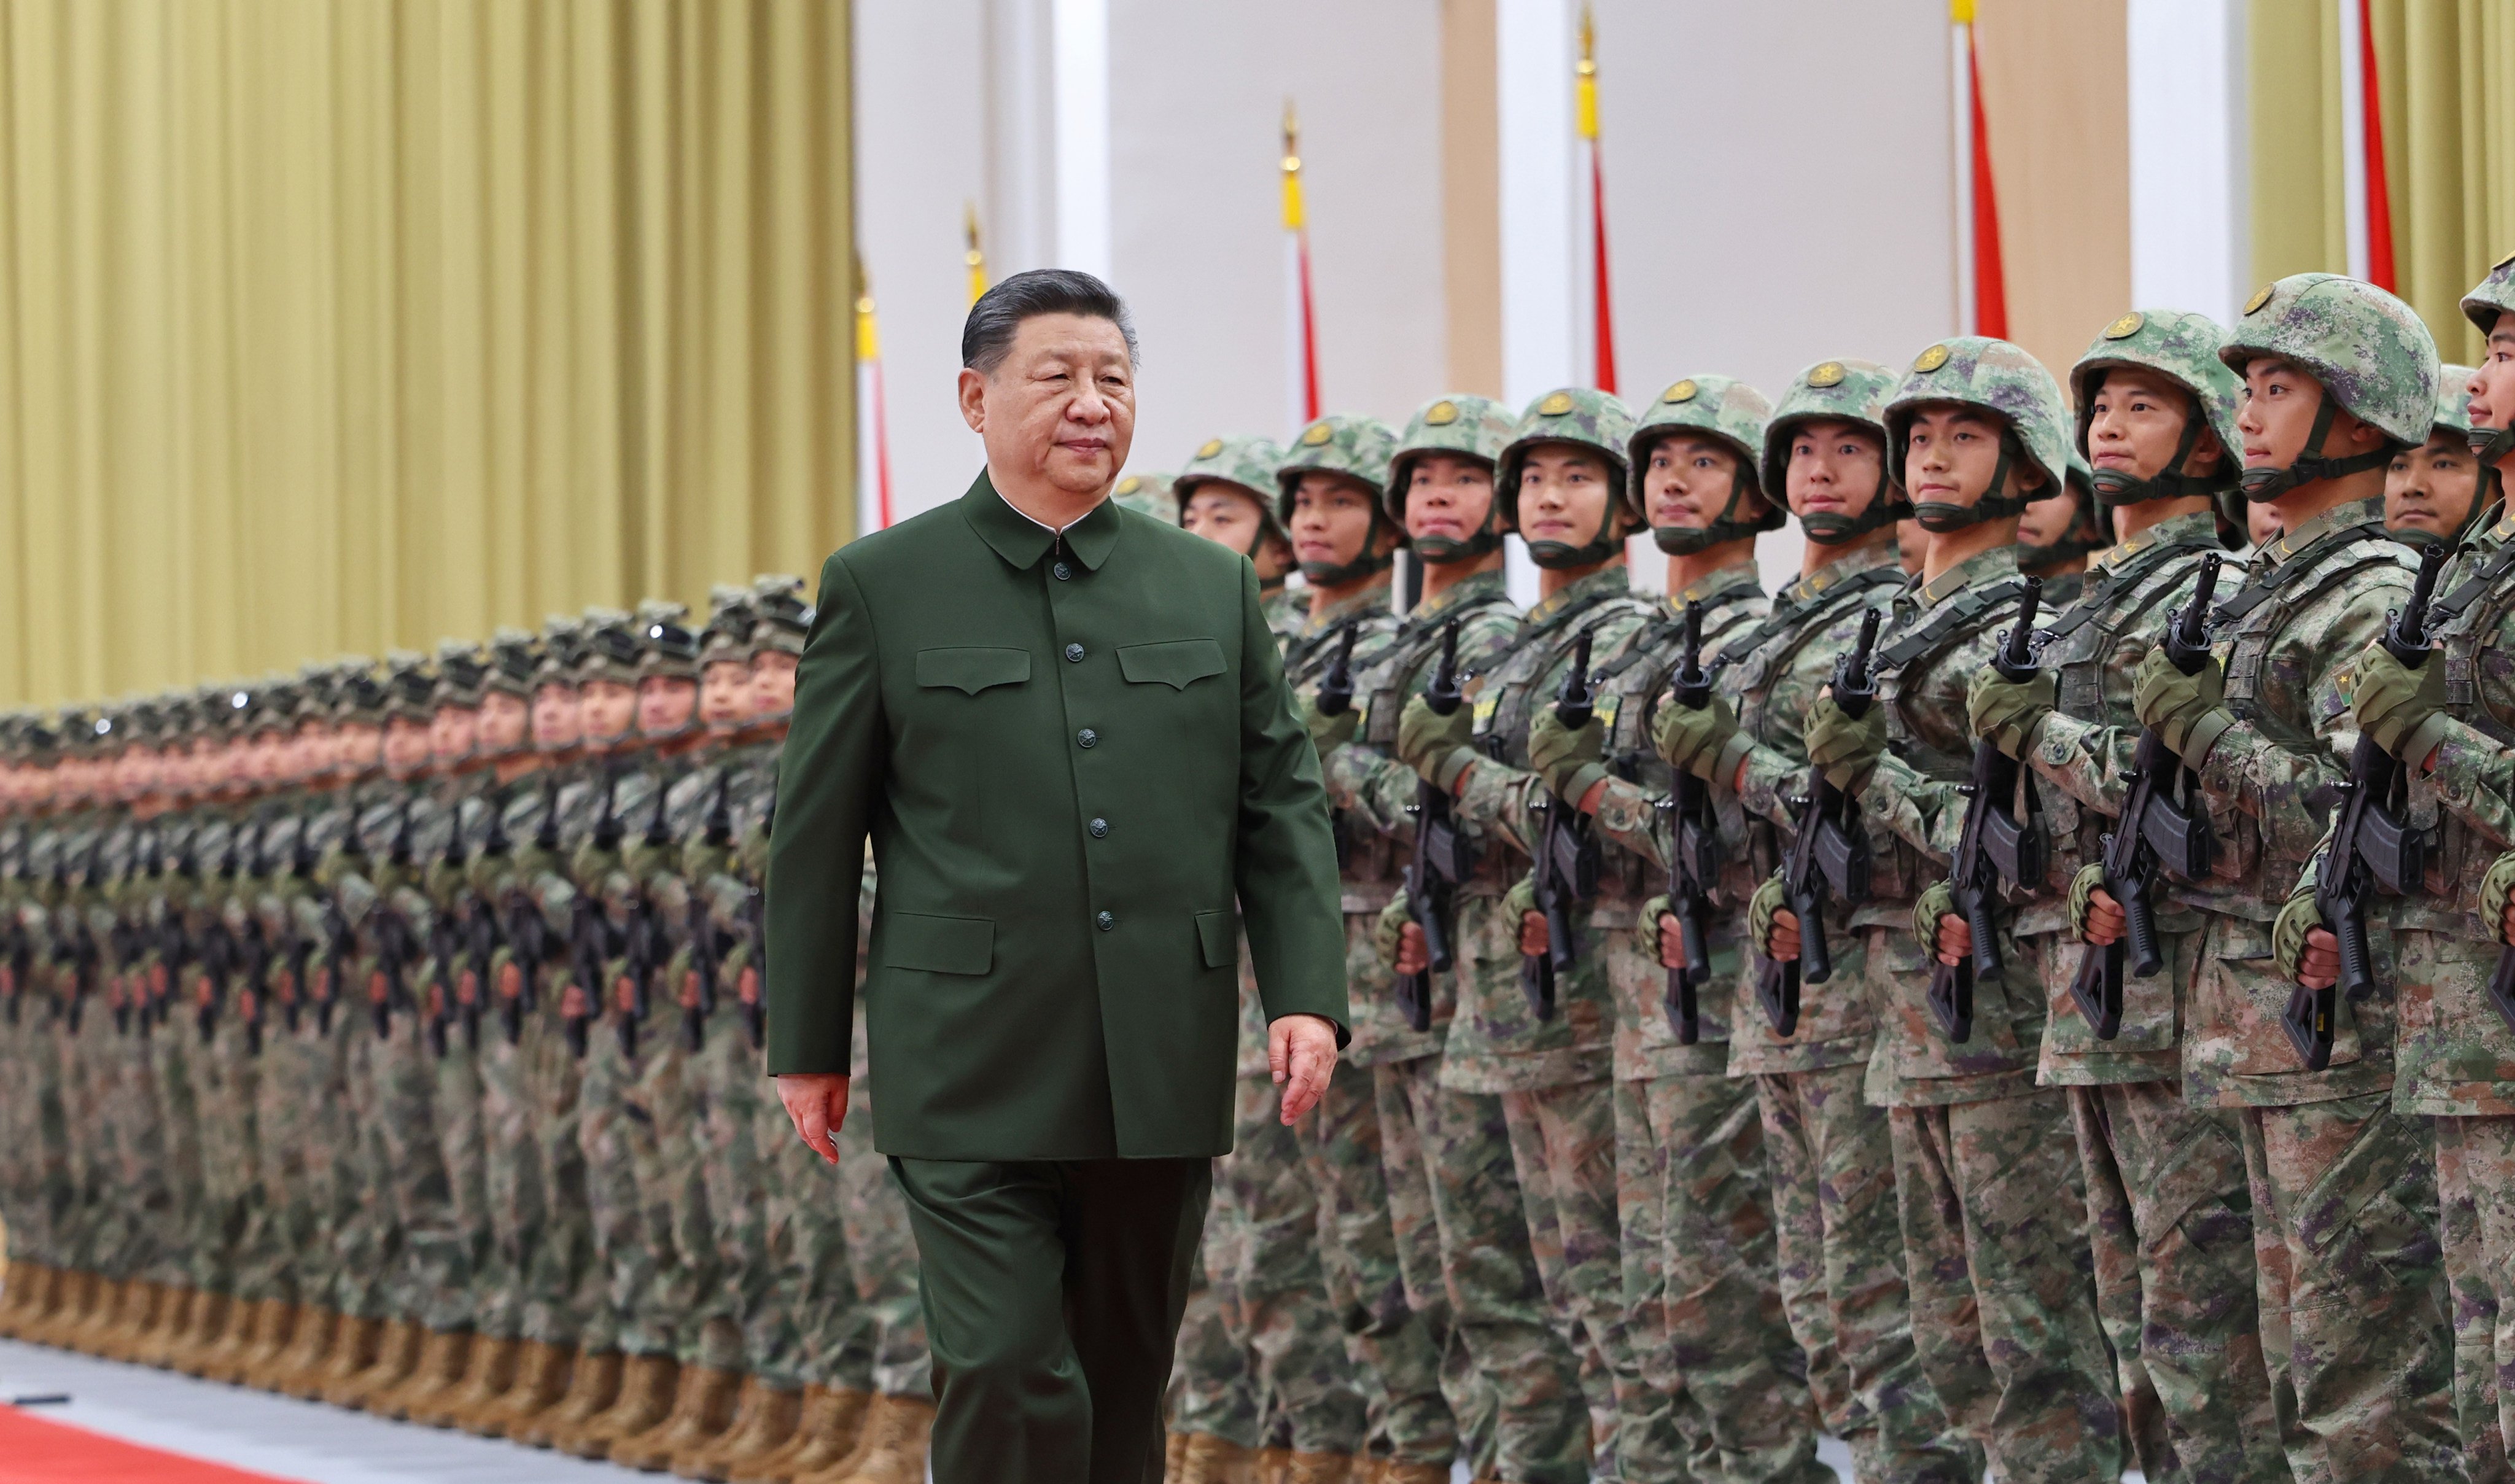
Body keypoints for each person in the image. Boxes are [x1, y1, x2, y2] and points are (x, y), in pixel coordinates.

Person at [764, 268, 1348, 1484]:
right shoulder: (883, 583)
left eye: (1112, 379)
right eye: (1057, 378)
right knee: (1001, 1364)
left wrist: (1304, 993)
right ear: (975, 400)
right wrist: (804, 1041)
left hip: (1155, 1046)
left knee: (1122, 1380)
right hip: (964, 1052)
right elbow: (816, 832)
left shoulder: (1209, 583)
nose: (1090, 404)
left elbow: (1277, 802)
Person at [2134, 273, 2460, 1482]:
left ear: (2362, 419)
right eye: (2247, 391)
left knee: (2352, 1374)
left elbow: (2363, 812)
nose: (2249, 415)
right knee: (2231, 1359)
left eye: (2281, 389)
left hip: (2338, 1025)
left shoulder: (2370, 593)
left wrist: (2201, 735)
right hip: (2239, 1021)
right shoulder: (2254, 592)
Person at [1792, 336, 2126, 1482]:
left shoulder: (2020, 628)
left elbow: (2028, 838)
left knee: (2029, 1332)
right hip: (1903, 1012)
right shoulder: (1888, 624)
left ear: (2025, 461)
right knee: (1935, 1341)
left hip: (1992, 1013)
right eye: (1919, 436)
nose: (1933, 456)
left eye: (1966, 436)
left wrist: (1868, 777)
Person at [1966, 308, 2288, 1481]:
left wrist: (2042, 738)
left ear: (2209, 441)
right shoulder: (2087, 599)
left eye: (2143, 405)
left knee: (2207, 1331)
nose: (2106, 423)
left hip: (2179, 997)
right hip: (2087, 993)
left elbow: (2210, 802)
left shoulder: (2216, 590)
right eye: (2100, 403)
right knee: (2131, 1327)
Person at [1392, 386, 1660, 1484]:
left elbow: (1595, 809)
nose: (1550, 498)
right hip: (1496, 991)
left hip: (1584, 992)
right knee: (1499, 1282)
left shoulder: (1623, 639)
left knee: (1605, 1283)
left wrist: (1457, 772)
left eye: (1579, 478)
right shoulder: (1514, 646)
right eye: (1537, 479)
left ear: (1621, 503)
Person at [2330, 259, 2515, 1480]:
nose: (2487, 373)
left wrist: (2423, 733)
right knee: (2475, 1376)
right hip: (2454, 1030)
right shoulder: (2470, 570)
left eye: (2508, 351)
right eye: (2489, 349)